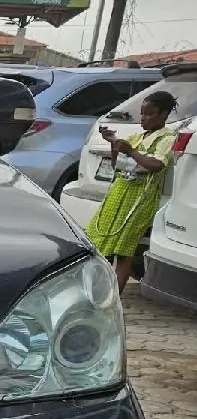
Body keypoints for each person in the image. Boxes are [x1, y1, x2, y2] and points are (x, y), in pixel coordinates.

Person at [85, 90, 177, 294]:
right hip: (119, 193)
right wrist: (113, 144)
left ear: (163, 115)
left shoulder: (167, 138)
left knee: (124, 250)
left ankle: (115, 296)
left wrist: (131, 151)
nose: (143, 118)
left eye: (149, 114)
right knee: (100, 239)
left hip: (139, 198)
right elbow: (118, 164)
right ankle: (94, 290)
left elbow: (155, 165)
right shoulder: (137, 136)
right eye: (142, 114)